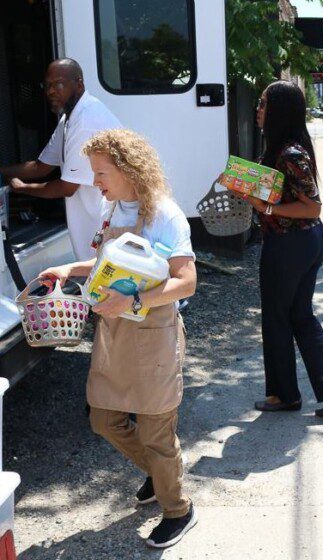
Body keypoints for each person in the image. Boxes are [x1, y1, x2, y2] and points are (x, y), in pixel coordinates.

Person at [39, 129, 198, 548]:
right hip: (115, 329)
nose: (95, 182)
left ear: (129, 169)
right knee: (103, 419)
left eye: (101, 172)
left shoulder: (164, 214)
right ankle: (161, 475)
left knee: (155, 430)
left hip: (154, 334)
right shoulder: (115, 209)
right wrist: (70, 269)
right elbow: (112, 261)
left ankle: (178, 509)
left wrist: (132, 301)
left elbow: (186, 282)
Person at [243, 80, 323, 418]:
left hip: (292, 244)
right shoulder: (281, 149)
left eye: (263, 104)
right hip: (298, 243)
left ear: (279, 110)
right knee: (299, 316)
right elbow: (277, 195)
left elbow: (313, 207)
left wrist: (268, 210)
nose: (258, 110)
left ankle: (284, 395)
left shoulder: (291, 154)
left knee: (277, 318)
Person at [0, 58, 121, 260]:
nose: (51, 91)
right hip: (95, 229)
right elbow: (41, 167)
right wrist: (2, 172)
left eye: (58, 84)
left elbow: (66, 187)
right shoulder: (69, 118)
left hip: (109, 227)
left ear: (79, 84)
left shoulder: (86, 121)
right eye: (47, 86)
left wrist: (21, 188)